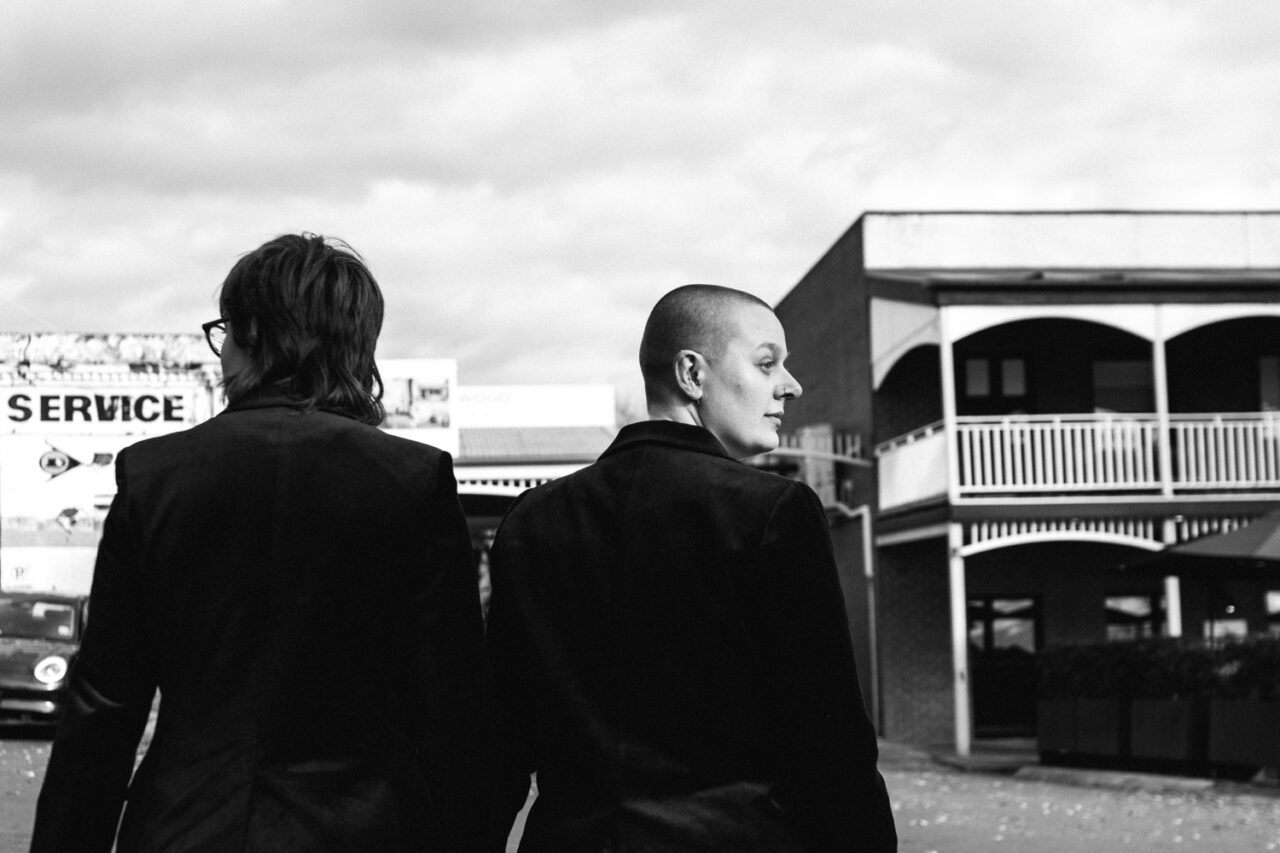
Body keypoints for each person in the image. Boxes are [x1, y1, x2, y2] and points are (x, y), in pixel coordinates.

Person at [31, 234, 486, 852]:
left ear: (250, 332)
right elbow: (452, 710)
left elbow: (105, 707)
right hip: (363, 829)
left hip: (183, 826)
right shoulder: (414, 482)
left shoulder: (152, 477)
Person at [484, 284, 897, 852]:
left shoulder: (532, 520)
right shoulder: (771, 512)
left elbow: (501, 739)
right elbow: (829, 741)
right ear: (691, 373)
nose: (791, 385)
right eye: (766, 362)